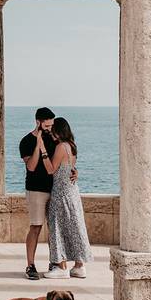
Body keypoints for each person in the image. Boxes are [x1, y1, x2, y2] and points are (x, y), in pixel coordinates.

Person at [19, 107, 76, 280]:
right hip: (36, 189)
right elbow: (31, 166)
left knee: (56, 229)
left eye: (52, 125)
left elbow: (61, 161)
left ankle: (55, 262)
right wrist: (38, 145)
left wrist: (74, 170)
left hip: (55, 190)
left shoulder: (54, 139)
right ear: (38, 122)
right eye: (47, 125)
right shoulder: (26, 141)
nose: (50, 129)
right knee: (36, 227)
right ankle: (30, 265)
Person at [41, 117, 92, 279]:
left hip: (61, 192)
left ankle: (61, 266)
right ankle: (79, 266)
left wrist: (42, 150)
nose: (51, 133)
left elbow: (50, 169)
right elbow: (70, 168)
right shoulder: (72, 146)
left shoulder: (61, 147)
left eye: (53, 130)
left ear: (59, 130)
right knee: (74, 227)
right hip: (72, 192)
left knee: (57, 227)